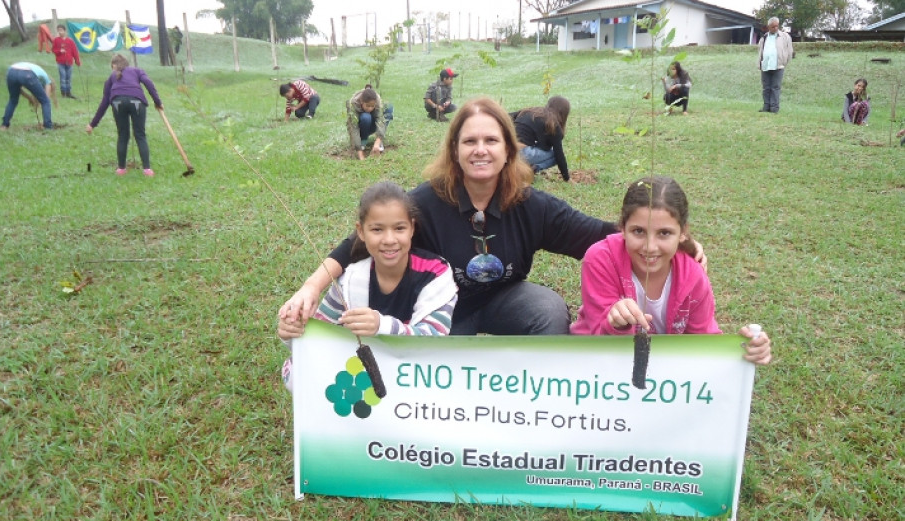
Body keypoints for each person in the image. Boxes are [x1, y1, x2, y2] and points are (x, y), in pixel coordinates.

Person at [278, 97, 708, 336]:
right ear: (455, 150)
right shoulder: (426, 201)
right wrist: (311, 288)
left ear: (508, 149)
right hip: (441, 313)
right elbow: (354, 246)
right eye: (469, 141)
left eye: (490, 140)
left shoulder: (531, 204)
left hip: (506, 301)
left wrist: (672, 241)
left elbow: (599, 236)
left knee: (548, 308)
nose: (480, 149)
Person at [570, 176, 772, 365]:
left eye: (664, 233)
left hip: (662, 371)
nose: (650, 247)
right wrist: (616, 324)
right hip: (597, 365)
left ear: (683, 233)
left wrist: (743, 350)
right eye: (638, 231)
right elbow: (598, 338)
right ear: (622, 227)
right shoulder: (601, 259)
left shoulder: (693, 275)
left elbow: (703, 341)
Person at [277, 181, 458, 389]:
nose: (389, 239)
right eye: (377, 229)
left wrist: (381, 326)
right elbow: (323, 332)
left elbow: (434, 341)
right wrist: (292, 332)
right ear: (361, 232)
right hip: (365, 369)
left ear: (412, 229)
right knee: (297, 373)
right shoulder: (353, 278)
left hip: (412, 373)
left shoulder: (436, 275)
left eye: (399, 228)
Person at [86, 54, 163, 177]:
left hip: (118, 102)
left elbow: (105, 101)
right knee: (140, 135)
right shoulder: (137, 70)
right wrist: (158, 102)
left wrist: (92, 124)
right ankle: (147, 170)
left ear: (114, 65)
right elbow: (148, 82)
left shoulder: (112, 76)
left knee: (123, 135)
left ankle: (121, 169)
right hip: (137, 102)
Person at [510, 96, 571, 181]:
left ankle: (521, 169)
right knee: (554, 155)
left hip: (507, 149)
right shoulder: (554, 125)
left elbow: (507, 116)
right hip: (522, 153)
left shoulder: (530, 111)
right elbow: (559, 155)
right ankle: (531, 170)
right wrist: (567, 178)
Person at [1, 62, 55, 130]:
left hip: (11, 72)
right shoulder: (47, 79)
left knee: (13, 100)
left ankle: (4, 125)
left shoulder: (37, 71)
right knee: (46, 101)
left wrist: (30, 98)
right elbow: (46, 99)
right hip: (27, 73)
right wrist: (41, 103)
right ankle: (48, 126)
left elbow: (18, 90)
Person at [346, 85, 393, 160]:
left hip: (372, 124)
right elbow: (353, 128)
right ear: (361, 101)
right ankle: (363, 141)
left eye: (372, 106)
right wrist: (360, 153)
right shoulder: (353, 104)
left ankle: (379, 142)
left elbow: (381, 120)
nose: (370, 108)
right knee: (366, 116)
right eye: (367, 106)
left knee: (389, 107)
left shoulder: (377, 100)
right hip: (362, 126)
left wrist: (377, 141)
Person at [757, 17, 793, 114]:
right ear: (769, 27)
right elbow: (760, 51)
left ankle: (774, 108)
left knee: (775, 87)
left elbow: (790, 52)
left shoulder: (785, 37)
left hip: (778, 66)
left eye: (777, 26)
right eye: (773, 27)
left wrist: (784, 62)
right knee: (766, 88)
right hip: (765, 66)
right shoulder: (764, 37)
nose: (775, 28)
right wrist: (760, 63)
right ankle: (766, 106)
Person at [52, 24, 81, 99]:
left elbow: (75, 51)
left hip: (69, 62)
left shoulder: (70, 41)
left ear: (65, 31)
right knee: (63, 77)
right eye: (58, 31)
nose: (60, 32)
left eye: (61, 30)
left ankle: (68, 92)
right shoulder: (56, 40)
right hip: (60, 62)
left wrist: (77, 61)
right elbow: (54, 50)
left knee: (68, 78)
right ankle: (63, 93)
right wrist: (59, 51)